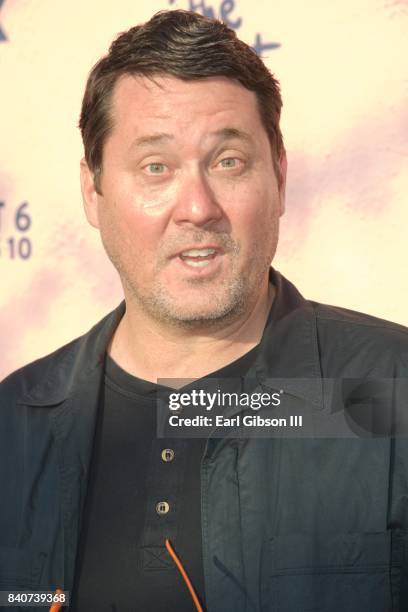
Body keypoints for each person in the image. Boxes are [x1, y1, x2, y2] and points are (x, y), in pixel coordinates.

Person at [1, 9, 408, 612]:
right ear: (94, 191)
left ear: (279, 176)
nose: (197, 207)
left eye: (228, 161)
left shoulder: (392, 388)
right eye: (155, 167)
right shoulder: (17, 421)